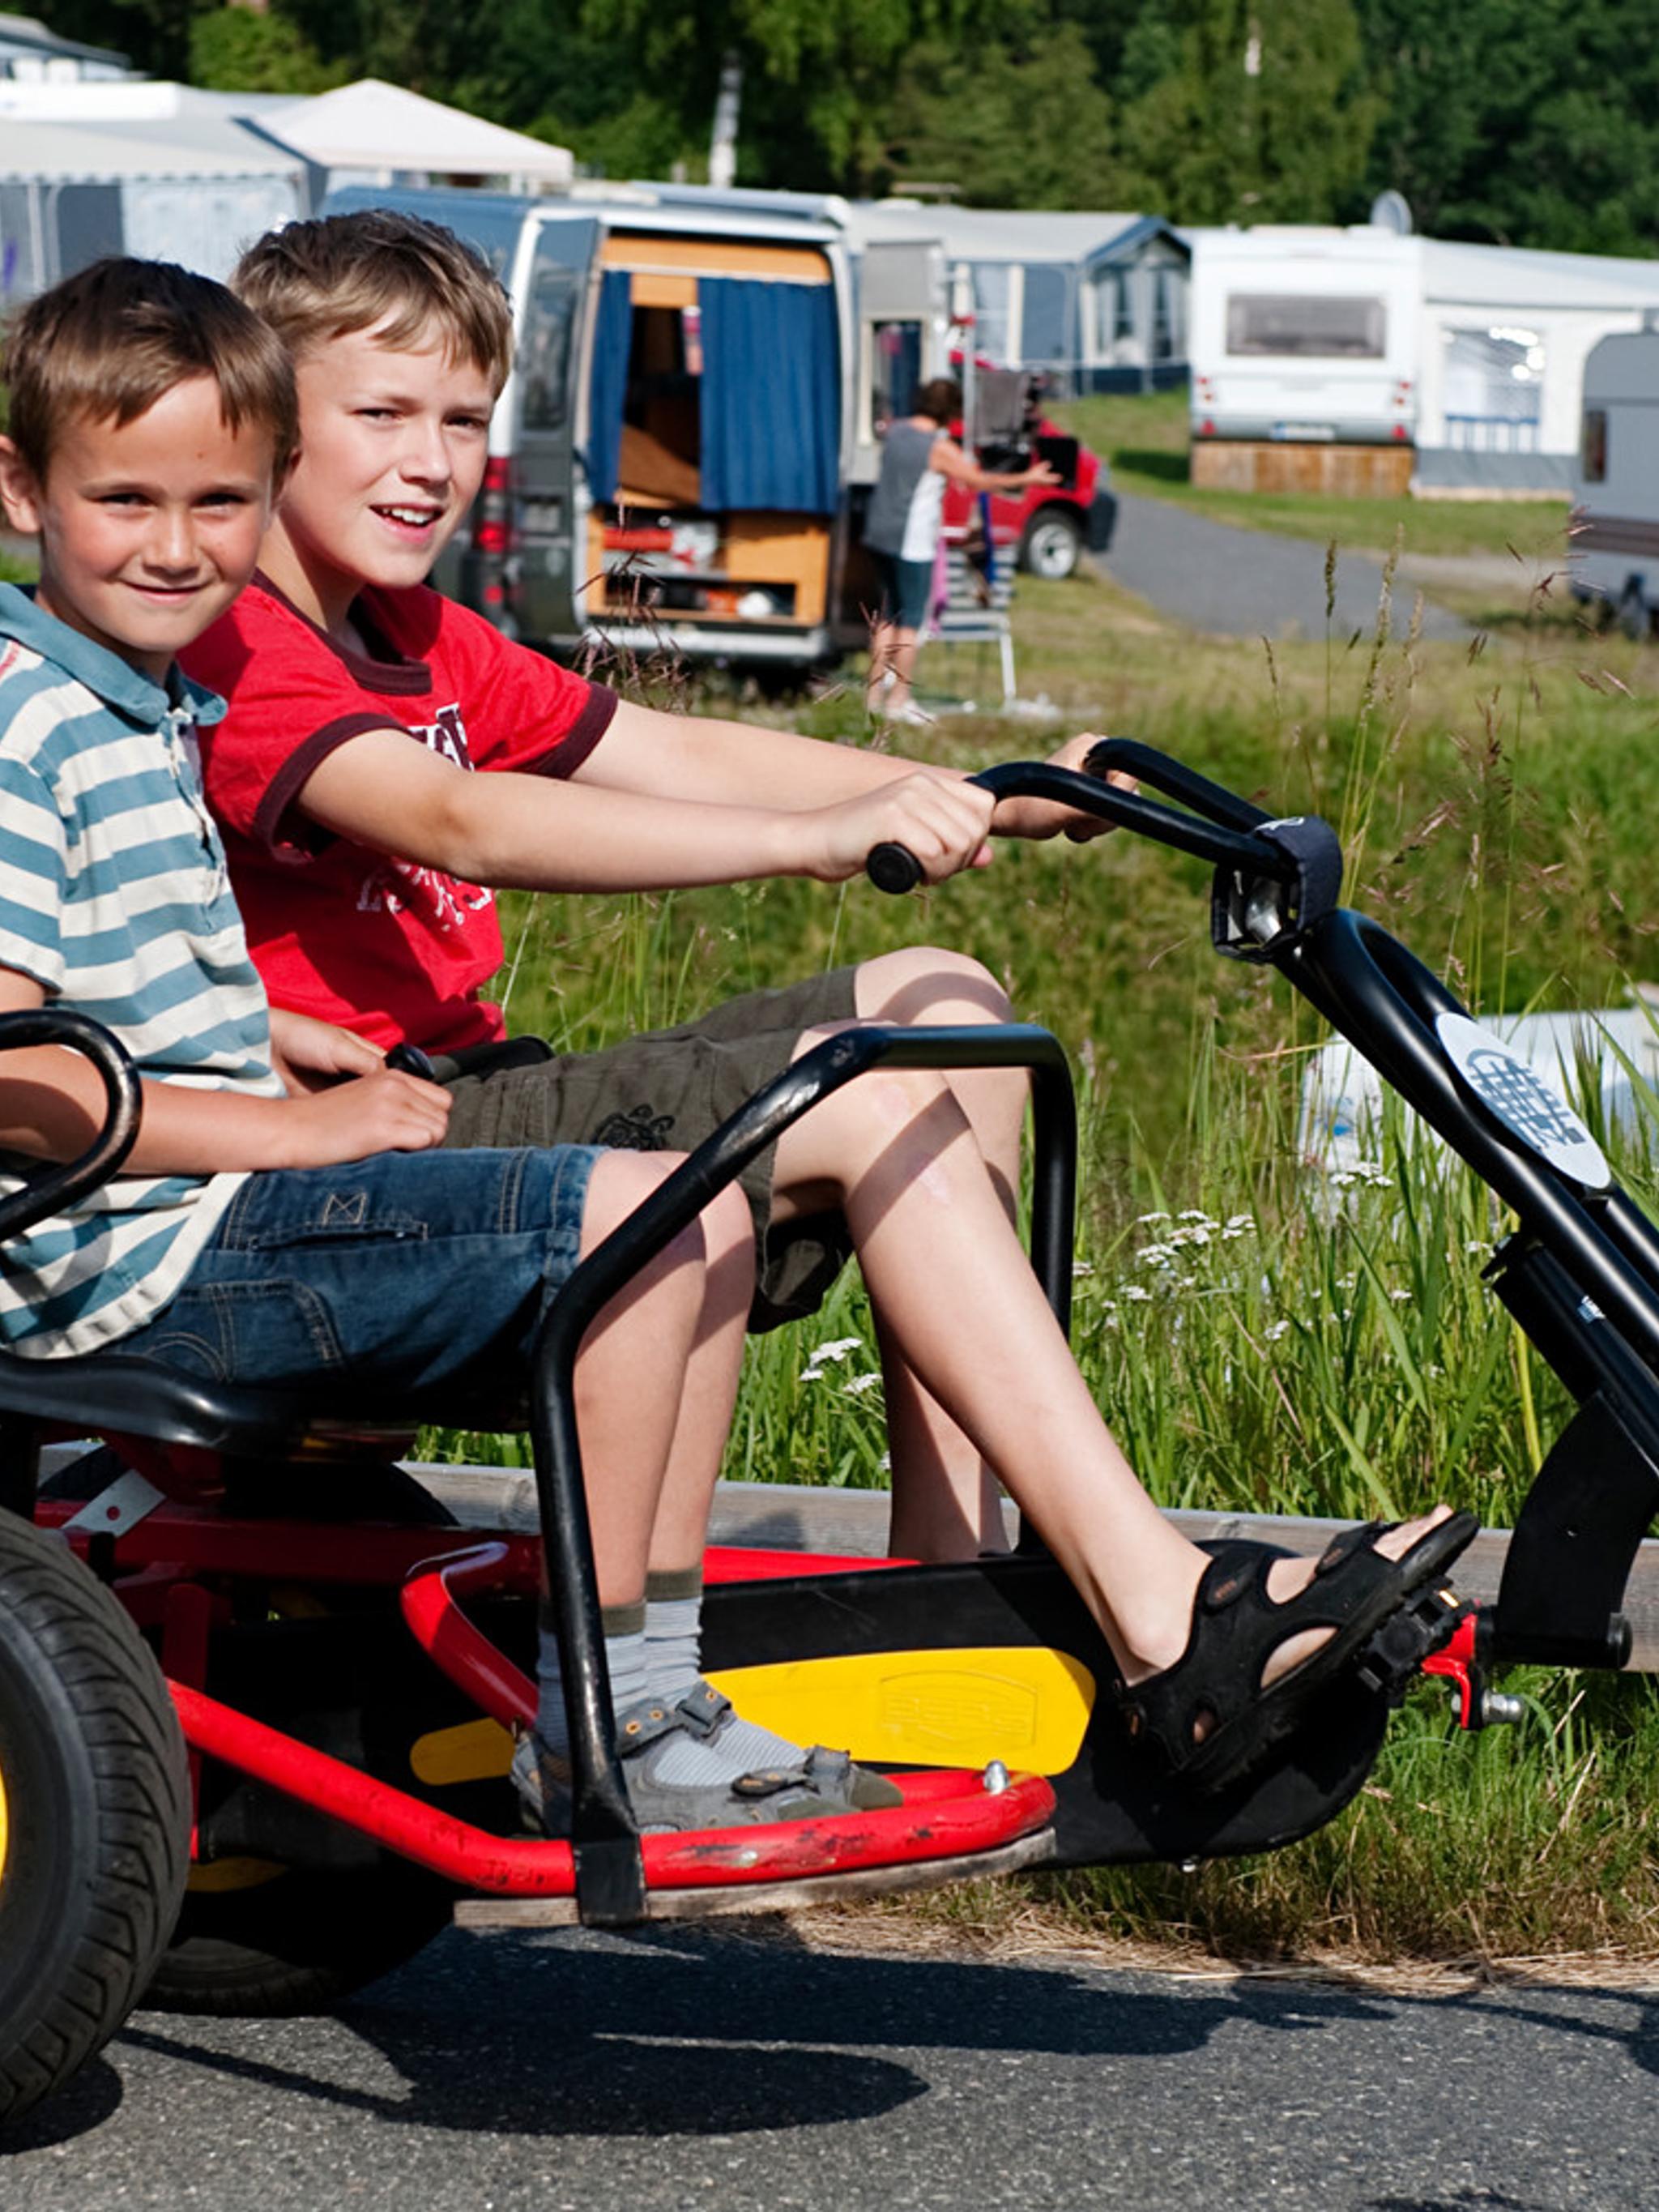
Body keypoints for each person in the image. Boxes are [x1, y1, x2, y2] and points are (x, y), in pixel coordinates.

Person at [168, 210, 1476, 1796]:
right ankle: (1162, 1617)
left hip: (467, 1094)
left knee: (937, 998)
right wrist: (806, 848)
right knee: (861, 1084)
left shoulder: (420, 633)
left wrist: (979, 795)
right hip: (359, 1150)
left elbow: (680, 751)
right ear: (262, 422)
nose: (428, 462)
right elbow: (456, 820)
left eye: (459, 419)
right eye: (378, 416)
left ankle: (945, 1580)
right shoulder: (238, 635)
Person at [0, 255, 908, 1838]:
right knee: (652, 1212)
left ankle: (645, 1681)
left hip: (182, 1223)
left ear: (268, 492)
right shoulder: (25, 719)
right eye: (125, 499)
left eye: (219, 504)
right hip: (130, 1267)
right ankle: (616, 1714)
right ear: (20, 489)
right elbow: (15, 1067)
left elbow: (96, 977)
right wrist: (286, 1131)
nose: (177, 547)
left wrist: (273, 1032)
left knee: (677, 1198)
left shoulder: (130, 702)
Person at [862, 375, 1056, 724]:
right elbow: (980, 481)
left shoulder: (897, 432)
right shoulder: (938, 448)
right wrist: (1030, 479)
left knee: (885, 617)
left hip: (879, 535)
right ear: (951, 412)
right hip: (912, 542)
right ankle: (899, 700)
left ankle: (874, 695)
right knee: (910, 622)